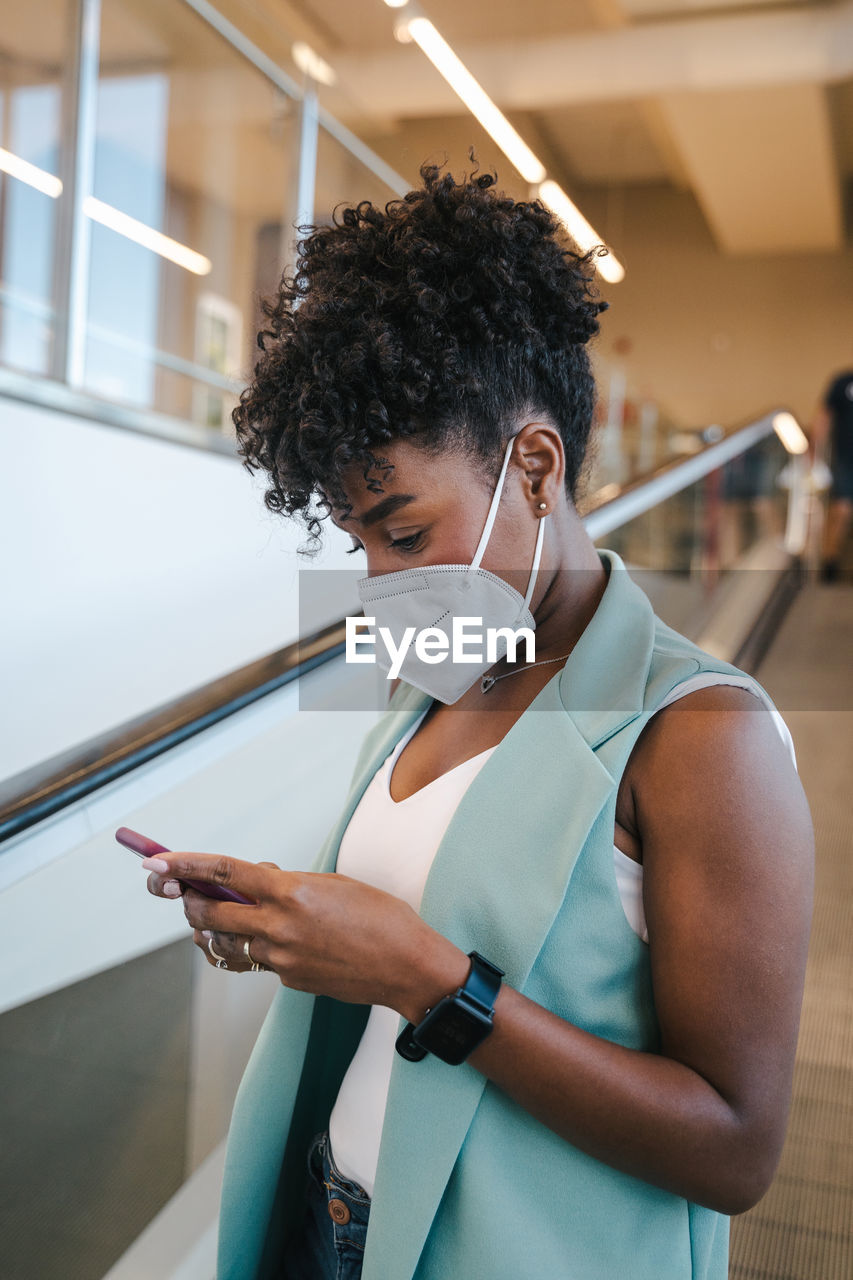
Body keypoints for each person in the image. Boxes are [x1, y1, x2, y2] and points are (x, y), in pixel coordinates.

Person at [141, 160, 814, 1280]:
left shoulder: (703, 737)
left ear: (535, 466)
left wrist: (427, 977)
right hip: (332, 1220)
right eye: (357, 541)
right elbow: (400, 929)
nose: (376, 577)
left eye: (402, 533)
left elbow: (736, 1145)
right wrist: (293, 922)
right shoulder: (439, 677)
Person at [809, 366, 853, 581]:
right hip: (845, 458)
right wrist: (812, 451)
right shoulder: (842, 382)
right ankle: (829, 565)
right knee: (841, 511)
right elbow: (823, 417)